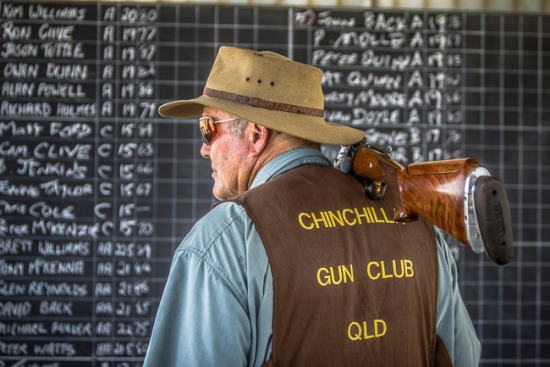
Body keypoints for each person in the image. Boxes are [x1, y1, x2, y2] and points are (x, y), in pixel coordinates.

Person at [144, 46, 480, 366]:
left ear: (256, 135)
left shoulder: (225, 239)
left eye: (208, 129)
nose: (205, 149)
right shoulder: (414, 218)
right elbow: (462, 357)